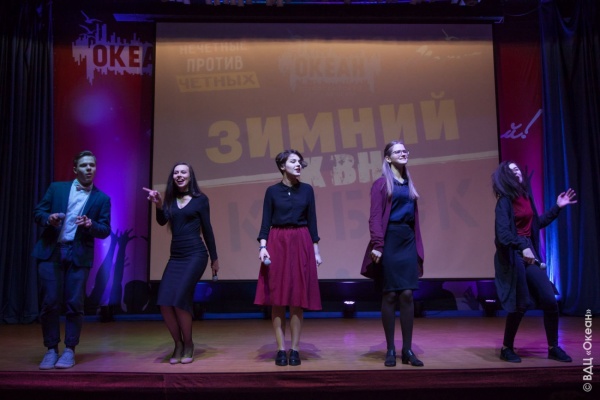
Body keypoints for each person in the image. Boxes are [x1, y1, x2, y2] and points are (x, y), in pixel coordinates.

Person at [33, 150, 111, 370]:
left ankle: (69, 350)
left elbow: (105, 230)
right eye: (84, 165)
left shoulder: (102, 198)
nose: (89, 168)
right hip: (51, 251)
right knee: (50, 302)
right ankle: (51, 349)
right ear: (75, 169)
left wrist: (90, 224)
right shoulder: (56, 188)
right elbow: (38, 212)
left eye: (92, 165)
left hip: (78, 254)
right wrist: (49, 218)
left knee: (75, 303)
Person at [492, 161, 576, 363]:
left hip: (528, 251)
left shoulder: (526, 197)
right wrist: (522, 246)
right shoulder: (504, 202)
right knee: (520, 303)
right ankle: (506, 348)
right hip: (513, 253)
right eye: (512, 170)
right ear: (505, 177)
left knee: (549, 299)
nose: (517, 172)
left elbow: (536, 225)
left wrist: (557, 207)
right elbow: (502, 235)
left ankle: (553, 347)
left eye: (517, 169)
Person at [145, 162, 219, 365]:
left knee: (179, 300)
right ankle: (177, 344)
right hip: (176, 256)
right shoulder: (170, 200)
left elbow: (208, 229)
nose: (179, 175)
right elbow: (162, 221)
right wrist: (158, 204)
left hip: (196, 254)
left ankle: (188, 344)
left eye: (183, 172)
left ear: (190, 176)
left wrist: (214, 258)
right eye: (176, 172)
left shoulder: (200, 200)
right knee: (164, 302)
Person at [255, 149, 322, 367]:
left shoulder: (307, 190)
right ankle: (280, 349)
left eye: (299, 162)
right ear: (283, 166)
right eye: (293, 161)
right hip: (278, 242)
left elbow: (312, 221)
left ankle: (295, 349)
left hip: (301, 240)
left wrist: (316, 250)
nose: (298, 164)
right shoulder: (272, 191)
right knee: (277, 298)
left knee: (297, 299)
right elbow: (265, 222)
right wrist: (263, 246)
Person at [360, 141, 425, 367]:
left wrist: (418, 247)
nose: (403, 153)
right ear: (388, 158)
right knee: (389, 295)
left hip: (407, 241)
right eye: (397, 151)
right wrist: (378, 244)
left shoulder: (409, 183)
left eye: (404, 150)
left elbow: (414, 219)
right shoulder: (381, 184)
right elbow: (375, 217)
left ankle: (407, 350)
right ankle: (390, 349)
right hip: (389, 241)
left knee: (407, 294)